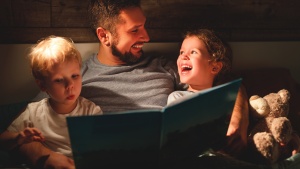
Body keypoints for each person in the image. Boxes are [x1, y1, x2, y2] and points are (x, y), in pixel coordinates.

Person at [8, 1, 249, 168]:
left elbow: (225, 82)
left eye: (144, 26)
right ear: (104, 36)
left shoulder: (165, 66)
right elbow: (29, 128)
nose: (146, 37)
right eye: (135, 30)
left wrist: (238, 119)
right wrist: (44, 157)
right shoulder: (75, 78)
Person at [0, 36, 102, 166]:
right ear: (42, 86)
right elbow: (3, 140)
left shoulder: (91, 110)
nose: (70, 85)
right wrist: (18, 138)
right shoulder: (33, 112)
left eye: (75, 76)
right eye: (59, 80)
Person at [167, 28, 248, 156]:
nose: (183, 56)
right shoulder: (178, 97)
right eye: (181, 52)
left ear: (215, 67)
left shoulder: (226, 97)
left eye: (193, 52)